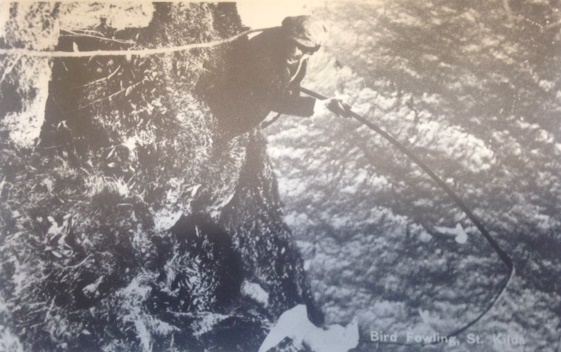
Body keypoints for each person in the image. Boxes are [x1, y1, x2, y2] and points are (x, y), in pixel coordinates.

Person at [204, 15, 352, 139]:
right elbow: (275, 98)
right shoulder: (264, 50)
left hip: (236, 122)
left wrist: (327, 103)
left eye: (305, 49)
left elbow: (290, 90)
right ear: (287, 36)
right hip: (217, 113)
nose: (296, 51)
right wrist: (323, 105)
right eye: (294, 43)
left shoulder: (299, 58)